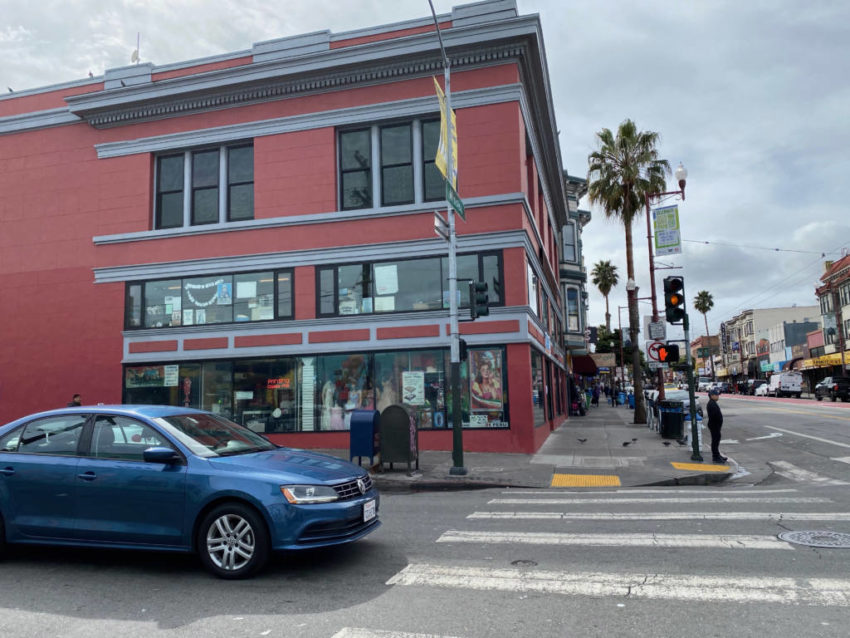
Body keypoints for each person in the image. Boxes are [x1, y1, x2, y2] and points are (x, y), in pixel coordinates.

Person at [706, 388, 727, 463]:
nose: (718, 396)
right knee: (715, 441)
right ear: (712, 396)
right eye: (716, 395)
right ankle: (715, 457)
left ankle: (717, 455)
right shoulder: (711, 404)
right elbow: (714, 416)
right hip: (714, 425)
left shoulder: (713, 403)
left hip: (715, 425)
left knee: (716, 440)